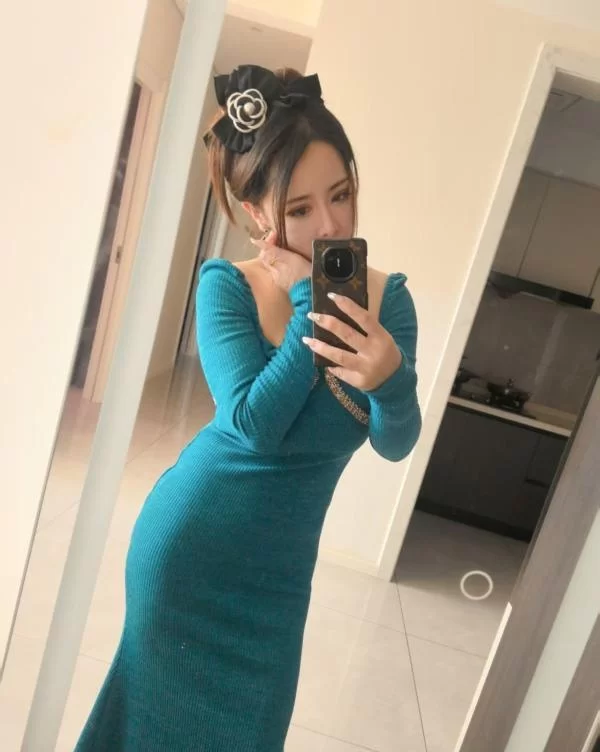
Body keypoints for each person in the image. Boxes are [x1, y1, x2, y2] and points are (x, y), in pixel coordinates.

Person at [75, 64, 421, 752]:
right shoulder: (225, 286)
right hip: (190, 553)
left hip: (278, 583)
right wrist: (307, 301)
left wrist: (391, 382)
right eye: (300, 209)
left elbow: (395, 443)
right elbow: (254, 429)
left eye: (342, 195)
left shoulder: (391, 302)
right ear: (259, 213)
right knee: (146, 728)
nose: (331, 224)